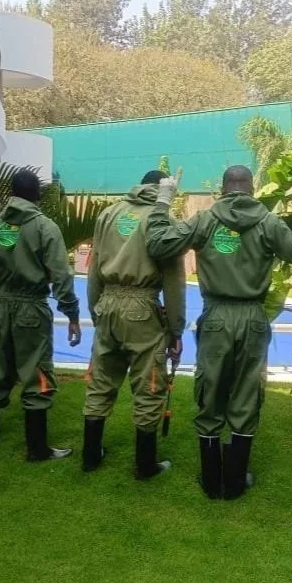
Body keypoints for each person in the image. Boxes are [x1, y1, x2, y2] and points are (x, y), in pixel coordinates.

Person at [146, 165, 292, 499]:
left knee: (210, 392)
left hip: (216, 317)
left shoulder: (205, 220)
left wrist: (163, 202)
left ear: (223, 189)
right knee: (247, 393)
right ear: (252, 188)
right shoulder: (268, 222)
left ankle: (212, 482)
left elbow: (158, 244)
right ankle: (236, 482)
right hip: (253, 318)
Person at [0, 169, 81, 461]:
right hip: (32, 310)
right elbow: (61, 276)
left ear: (12, 193)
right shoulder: (45, 227)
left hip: (0, 309)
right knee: (36, 374)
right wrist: (71, 314)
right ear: (37, 195)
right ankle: (37, 449)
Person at [82, 170, 186, 479]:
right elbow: (174, 281)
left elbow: (94, 270)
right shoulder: (162, 219)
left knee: (100, 381)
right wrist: (176, 329)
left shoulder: (109, 214)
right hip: (142, 309)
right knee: (149, 385)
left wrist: (97, 312)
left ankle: (90, 456)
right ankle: (145, 465)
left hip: (107, 305)